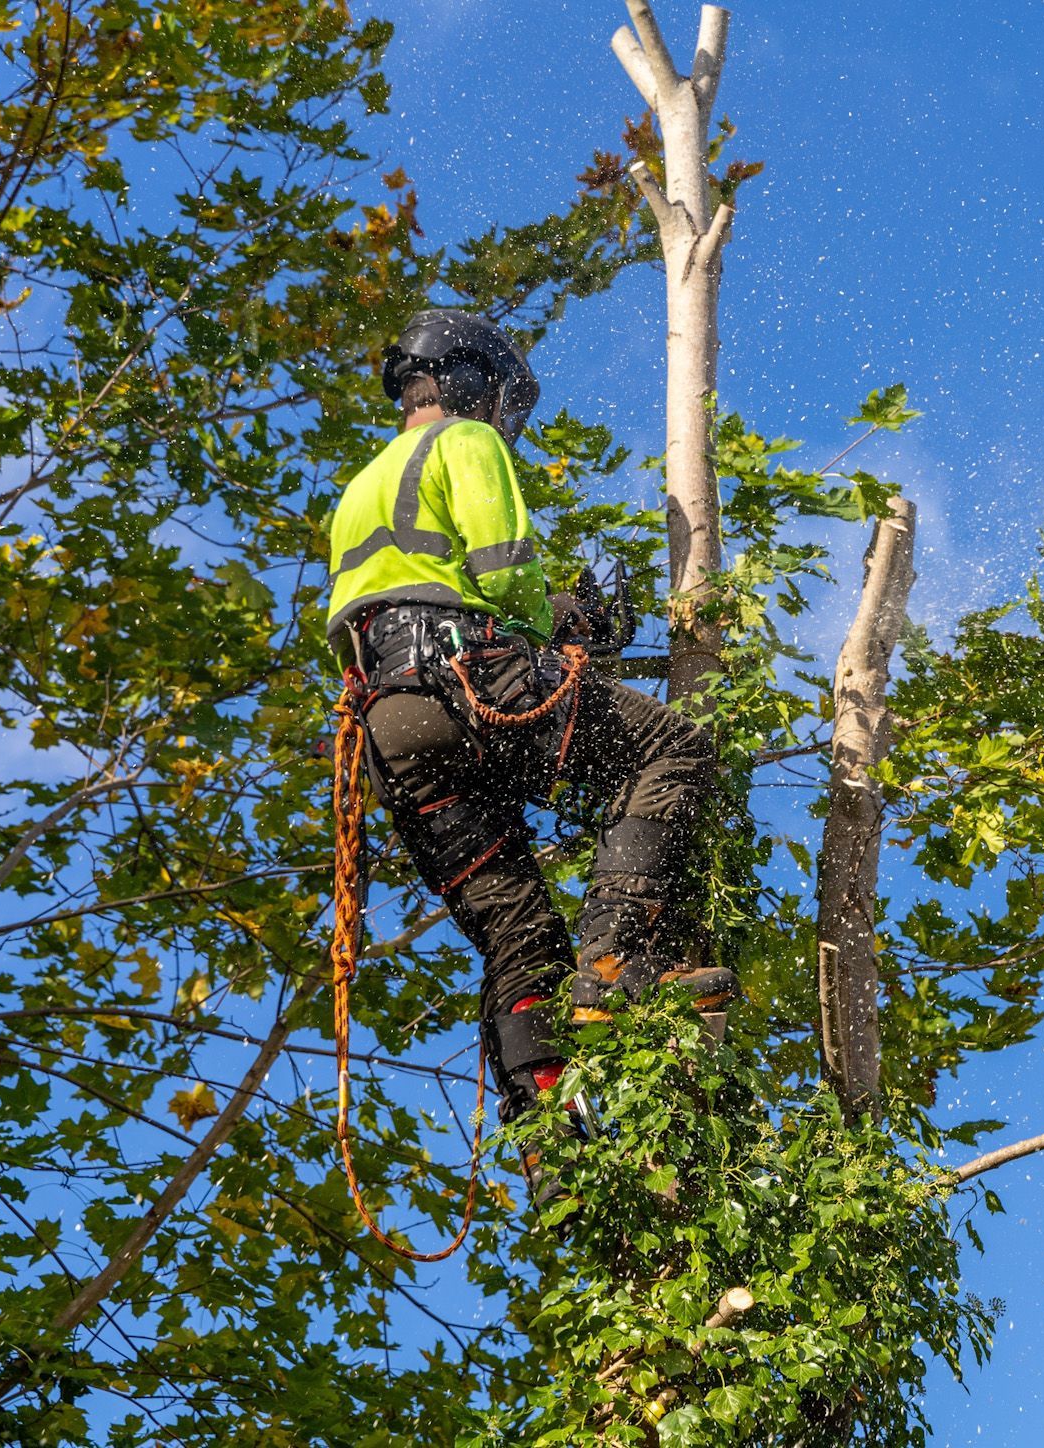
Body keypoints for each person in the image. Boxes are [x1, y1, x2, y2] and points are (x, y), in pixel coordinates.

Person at [326, 308, 736, 1195]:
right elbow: (505, 577)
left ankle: (549, 1139)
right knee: (672, 751)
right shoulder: (467, 445)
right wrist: (576, 617)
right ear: (472, 382)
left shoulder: (358, 487)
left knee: (516, 926)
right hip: (467, 676)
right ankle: (611, 957)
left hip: (392, 725)